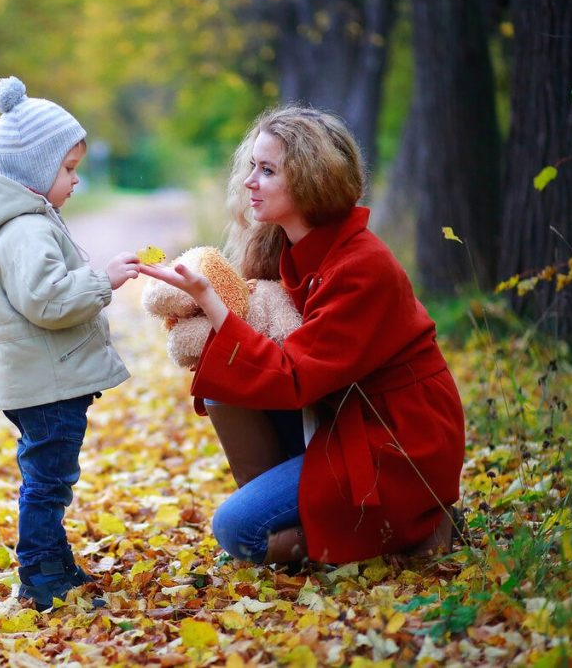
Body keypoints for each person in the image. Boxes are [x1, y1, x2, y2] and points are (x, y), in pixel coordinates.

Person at [139, 105, 465, 566]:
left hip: (397, 439)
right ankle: (314, 512)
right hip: (341, 413)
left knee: (237, 531)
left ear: (313, 179)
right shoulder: (291, 248)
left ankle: (418, 526)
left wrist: (211, 300)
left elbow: (293, 376)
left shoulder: (362, 265)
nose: (250, 180)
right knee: (223, 383)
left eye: (267, 170)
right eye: (252, 166)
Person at [0, 76, 140, 608]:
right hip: (47, 387)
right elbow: (48, 301)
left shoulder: (28, 220)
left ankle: (52, 561)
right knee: (47, 483)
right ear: (36, 171)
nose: (74, 180)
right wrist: (104, 279)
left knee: (50, 478)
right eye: (67, 169)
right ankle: (40, 575)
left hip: (43, 381)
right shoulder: (26, 230)